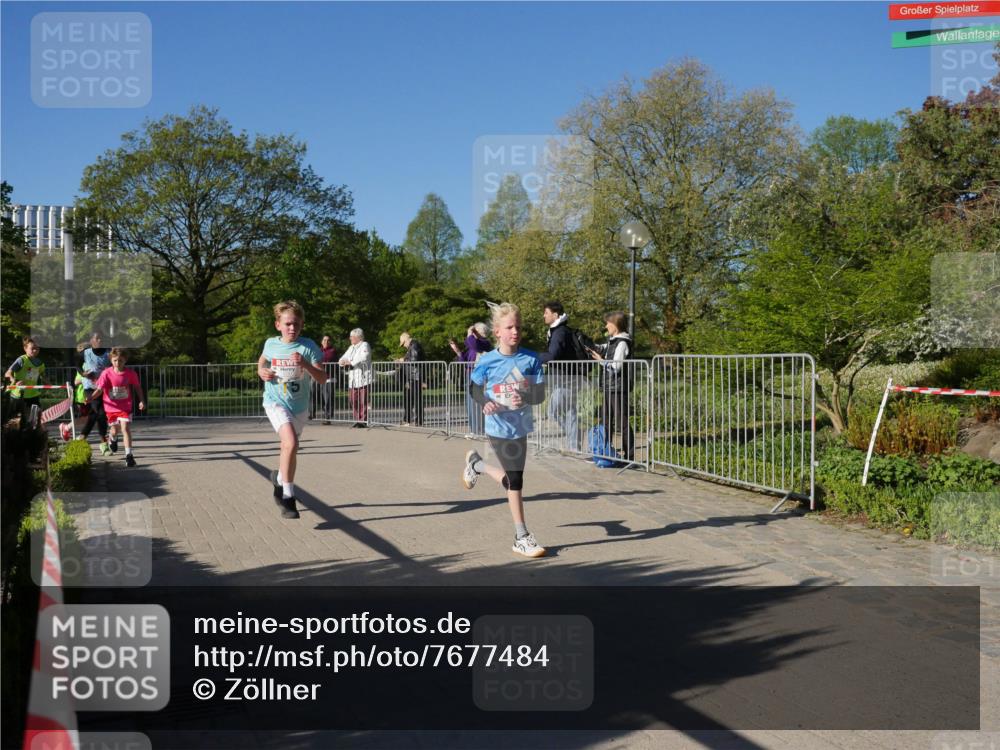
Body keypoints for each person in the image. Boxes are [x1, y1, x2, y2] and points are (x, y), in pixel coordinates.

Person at [461, 303, 548, 558]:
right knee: (517, 480)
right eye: (509, 327)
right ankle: (521, 536)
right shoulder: (488, 360)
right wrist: (484, 402)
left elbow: (540, 393)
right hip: (497, 426)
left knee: (513, 480)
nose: (515, 332)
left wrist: (527, 396)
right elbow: (474, 387)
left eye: (518, 327)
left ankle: (477, 465)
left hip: (520, 425)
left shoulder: (531, 358)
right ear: (497, 331)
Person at [258, 300, 326, 519]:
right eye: (287, 324)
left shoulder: (308, 347)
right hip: (275, 402)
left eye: (296, 324)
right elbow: (262, 362)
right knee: (291, 443)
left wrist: (305, 364)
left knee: (290, 448)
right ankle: (288, 497)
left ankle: (279, 479)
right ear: (278, 324)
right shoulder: (271, 343)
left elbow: (323, 379)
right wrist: (262, 372)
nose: (292, 329)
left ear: (302, 325)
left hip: (299, 406)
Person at [589, 311, 634, 462]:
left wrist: (601, 361)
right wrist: (588, 345)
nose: (606, 325)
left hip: (619, 388)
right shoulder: (612, 341)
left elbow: (616, 367)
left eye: (608, 323)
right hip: (609, 387)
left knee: (622, 422)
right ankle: (604, 452)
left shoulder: (622, 343)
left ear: (615, 325)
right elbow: (600, 348)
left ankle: (630, 457)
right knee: (606, 421)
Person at [88, 348, 145, 467]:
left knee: (125, 428)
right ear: (111, 360)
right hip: (111, 407)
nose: (117, 363)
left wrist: (142, 401)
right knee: (114, 430)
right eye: (115, 360)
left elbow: (137, 387)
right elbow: (100, 389)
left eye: (120, 360)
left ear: (125, 360)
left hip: (125, 406)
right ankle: (112, 439)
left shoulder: (130, 373)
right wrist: (91, 398)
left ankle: (129, 456)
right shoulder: (106, 373)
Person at [539, 300, 581, 452]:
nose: (544, 315)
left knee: (553, 411)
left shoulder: (559, 332)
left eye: (546, 313)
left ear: (555, 315)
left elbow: (553, 355)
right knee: (570, 411)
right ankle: (574, 445)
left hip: (566, 379)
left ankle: (574, 440)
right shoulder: (560, 331)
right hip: (569, 377)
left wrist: (534, 357)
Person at [449, 322, 493, 437]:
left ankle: (480, 431)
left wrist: (470, 333)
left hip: (479, 377)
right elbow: (465, 360)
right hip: (470, 375)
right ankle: (473, 430)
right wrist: (457, 351)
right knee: (470, 404)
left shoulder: (485, 343)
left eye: (475, 332)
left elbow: (473, 344)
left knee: (477, 404)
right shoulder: (473, 346)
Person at [79, 332, 112, 455]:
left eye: (101, 338)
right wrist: (83, 374)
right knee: (101, 413)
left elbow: (115, 364)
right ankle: (103, 442)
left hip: (104, 388)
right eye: (97, 338)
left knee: (94, 414)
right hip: (90, 388)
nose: (99, 340)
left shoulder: (108, 352)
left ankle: (82, 436)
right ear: (91, 340)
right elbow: (76, 364)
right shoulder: (86, 353)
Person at [5, 336, 46, 422]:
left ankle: (32, 433)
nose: (35, 351)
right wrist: (14, 380)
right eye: (32, 348)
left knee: (35, 419)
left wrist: (47, 382)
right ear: (25, 348)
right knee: (16, 420)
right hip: (19, 395)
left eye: (37, 348)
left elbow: (42, 374)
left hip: (33, 394)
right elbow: (7, 373)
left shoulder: (40, 363)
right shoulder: (21, 360)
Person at [339, 328, 372, 428]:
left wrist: (351, 362)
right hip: (353, 378)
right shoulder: (351, 347)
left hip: (363, 377)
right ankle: (357, 419)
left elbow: (364, 357)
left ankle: (363, 420)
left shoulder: (364, 345)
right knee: (353, 400)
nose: (350, 338)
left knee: (363, 401)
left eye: (352, 336)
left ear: (358, 337)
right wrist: (341, 362)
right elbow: (344, 357)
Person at [397, 332, 425, 426]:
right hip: (412, 376)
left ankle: (418, 421)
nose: (404, 346)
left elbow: (414, 359)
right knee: (409, 398)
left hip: (415, 376)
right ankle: (408, 419)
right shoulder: (412, 346)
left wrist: (403, 360)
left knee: (416, 399)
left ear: (406, 340)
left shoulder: (414, 345)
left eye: (403, 343)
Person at [311, 335, 338, 422]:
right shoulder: (318, 350)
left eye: (328, 340)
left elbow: (326, 359)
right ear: (321, 341)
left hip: (328, 378)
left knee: (328, 398)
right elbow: (312, 359)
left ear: (330, 342)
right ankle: (312, 413)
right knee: (315, 395)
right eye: (324, 340)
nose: (326, 342)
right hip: (317, 376)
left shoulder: (332, 351)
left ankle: (328, 417)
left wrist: (317, 362)